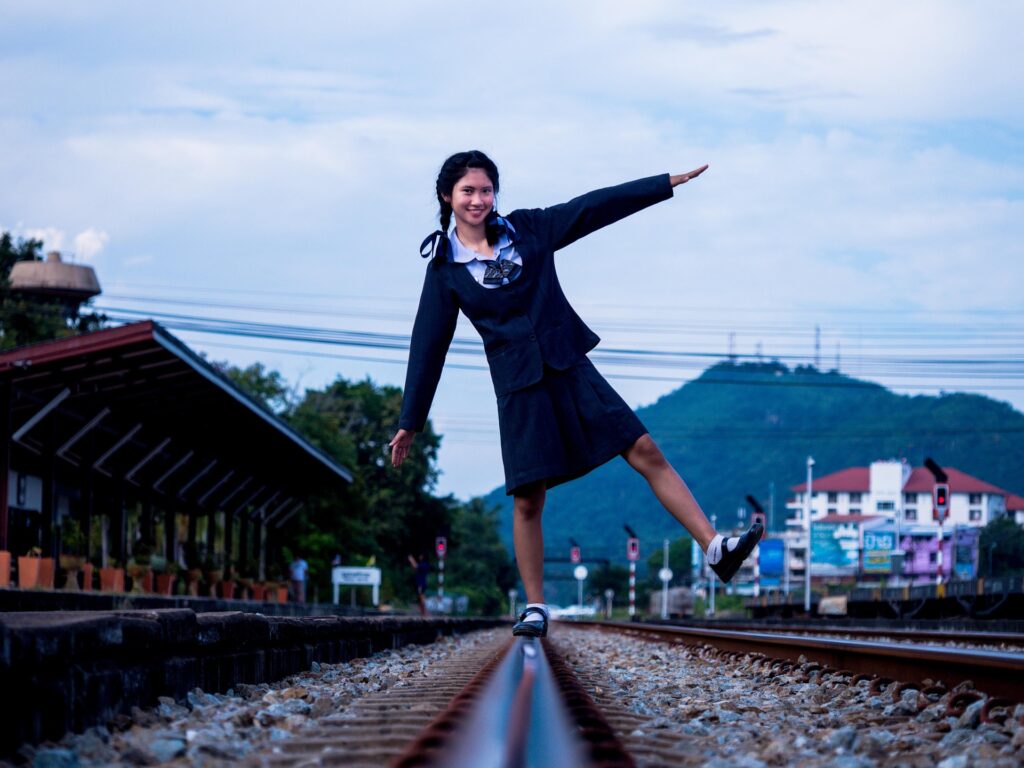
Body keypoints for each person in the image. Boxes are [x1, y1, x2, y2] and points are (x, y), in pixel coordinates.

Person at [390, 150, 762, 638]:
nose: (478, 199)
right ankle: (536, 606)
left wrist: (663, 183)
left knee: (644, 448)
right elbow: (428, 346)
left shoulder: (528, 230)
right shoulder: (444, 270)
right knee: (528, 500)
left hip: (568, 364)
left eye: (485, 190)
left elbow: (592, 208)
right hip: (519, 386)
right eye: (467, 191)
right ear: (447, 197)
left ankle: (715, 547)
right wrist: (409, 421)